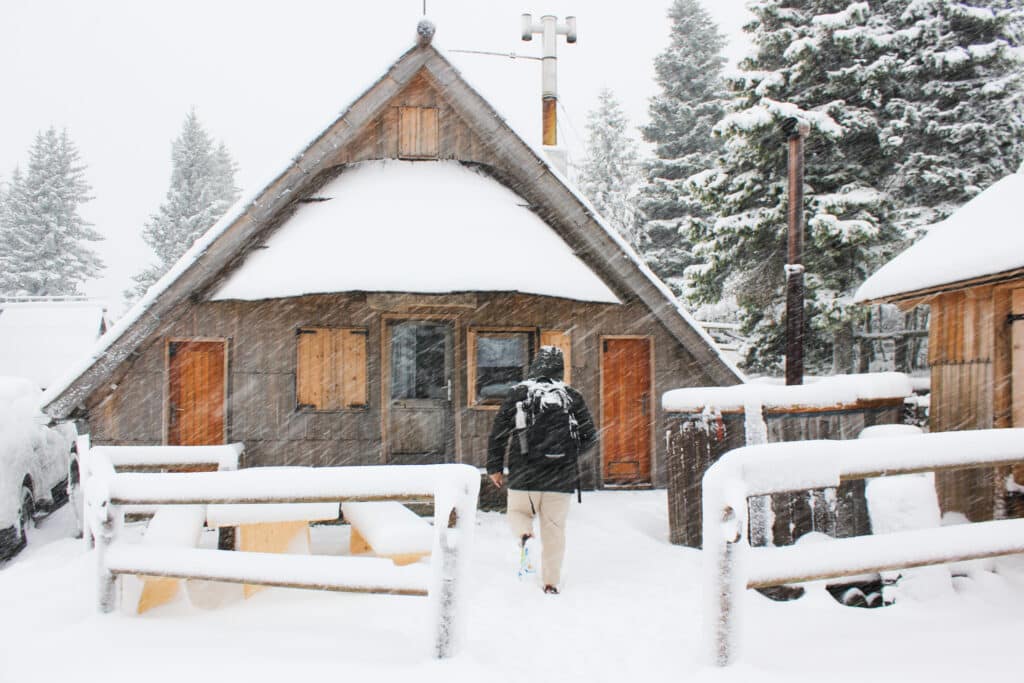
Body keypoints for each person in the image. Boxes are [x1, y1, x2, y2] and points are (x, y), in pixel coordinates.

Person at [486, 345, 597, 594]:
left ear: (535, 366)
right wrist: (569, 457)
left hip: (524, 474)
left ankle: (525, 535)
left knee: (517, 513)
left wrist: (494, 467)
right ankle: (550, 583)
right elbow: (590, 436)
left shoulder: (518, 394)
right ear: (561, 368)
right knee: (554, 531)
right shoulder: (572, 397)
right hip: (560, 479)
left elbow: (498, 435)